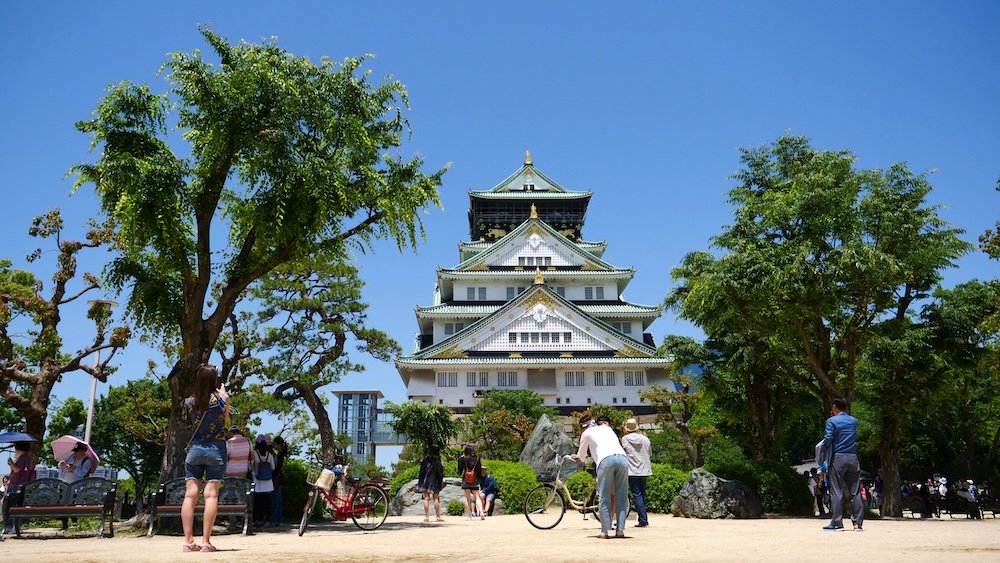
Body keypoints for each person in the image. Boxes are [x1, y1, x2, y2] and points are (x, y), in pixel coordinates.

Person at [179, 364, 229, 552]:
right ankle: (206, 542)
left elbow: (189, 421)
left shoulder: (188, 402)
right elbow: (225, 422)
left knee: (190, 495)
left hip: (195, 450)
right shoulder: (222, 399)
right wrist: (222, 393)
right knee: (211, 495)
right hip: (216, 449)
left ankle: (188, 541)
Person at [572, 414, 629, 539]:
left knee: (604, 496)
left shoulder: (587, 433)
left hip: (605, 461)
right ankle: (620, 530)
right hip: (623, 459)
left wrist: (576, 457)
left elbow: (581, 456)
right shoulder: (609, 429)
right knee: (622, 496)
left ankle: (605, 531)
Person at [818, 397, 863, 531]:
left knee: (836, 491)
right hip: (853, 457)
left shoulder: (831, 421)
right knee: (855, 491)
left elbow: (829, 438)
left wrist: (821, 450)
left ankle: (837, 523)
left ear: (835, 407)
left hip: (838, 457)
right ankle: (857, 523)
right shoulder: (853, 421)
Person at [620, 417, 651, 528]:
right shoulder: (645, 439)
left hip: (632, 470)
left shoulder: (624, 439)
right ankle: (643, 518)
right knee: (641, 495)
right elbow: (649, 453)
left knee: (637, 495)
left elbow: (623, 453)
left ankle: (643, 520)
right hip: (645, 469)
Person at [4, 441, 37, 535]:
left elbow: (17, 470)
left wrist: (11, 463)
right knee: (13, 505)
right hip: (18, 485)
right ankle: (14, 526)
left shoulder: (23, 458)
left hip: (16, 486)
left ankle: (10, 526)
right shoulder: (25, 457)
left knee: (8, 506)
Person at [57, 442, 92, 529]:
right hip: (64, 482)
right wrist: (61, 464)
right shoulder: (70, 457)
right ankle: (64, 523)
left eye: (78, 451)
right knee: (63, 503)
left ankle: (74, 521)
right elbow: (62, 466)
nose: (75, 453)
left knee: (72, 503)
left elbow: (82, 473)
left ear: (83, 451)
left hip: (76, 485)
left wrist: (73, 469)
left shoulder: (86, 461)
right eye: (75, 451)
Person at [251, 434, 276, 529]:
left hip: (257, 480)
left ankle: (257, 520)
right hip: (268, 482)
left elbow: (252, 465)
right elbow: (273, 467)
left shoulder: (254, 452)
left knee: (257, 502)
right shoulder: (269, 454)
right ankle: (267, 521)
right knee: (267, 502)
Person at [416, 445, 445, 522]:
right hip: (435, 481)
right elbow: (440, 473)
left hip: (426, 481)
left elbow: (421, 471)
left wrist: (420, 481)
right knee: (436, 499)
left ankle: (426, 517)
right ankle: (438, 516)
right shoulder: (438, 461)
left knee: (426, 498)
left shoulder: (425, 460)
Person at [457, 445, 484, 520]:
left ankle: (469, 516)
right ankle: (481, 512)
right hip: (474, 480)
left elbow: (459, 470)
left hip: (466, 480)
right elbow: (479, 470)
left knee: (467, 499)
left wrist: (460, 459)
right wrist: (478, 480)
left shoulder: (463, 458)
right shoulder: (477, 458)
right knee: (477, 497)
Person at [270, 436, 287, 526]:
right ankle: (278, 520)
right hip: (279, 479)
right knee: (278, 500)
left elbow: (277, 468)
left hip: (276, 478)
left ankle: (274, 519)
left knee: (275, 499)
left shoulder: (280, 455)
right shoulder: (280, 454)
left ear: (278, 444)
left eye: (274, 444)